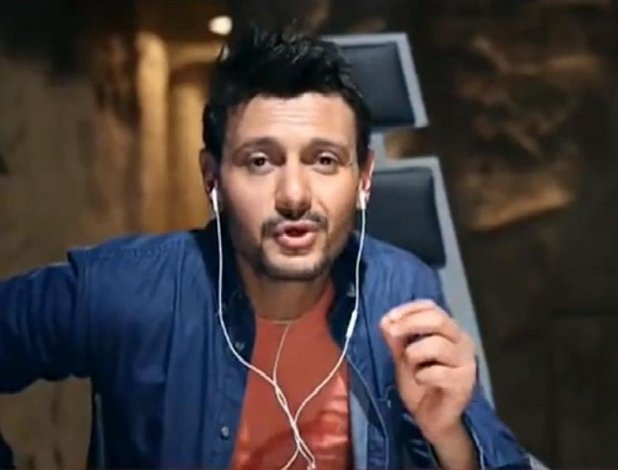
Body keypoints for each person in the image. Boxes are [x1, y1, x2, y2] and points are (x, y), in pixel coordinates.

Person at [0, 27, 531, 469]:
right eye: (260, 161)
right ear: (212, 177)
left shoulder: (401, 288)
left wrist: (450, 438)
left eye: (324, 161)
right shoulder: (128, 288)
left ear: (364, 179)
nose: (294, 195)